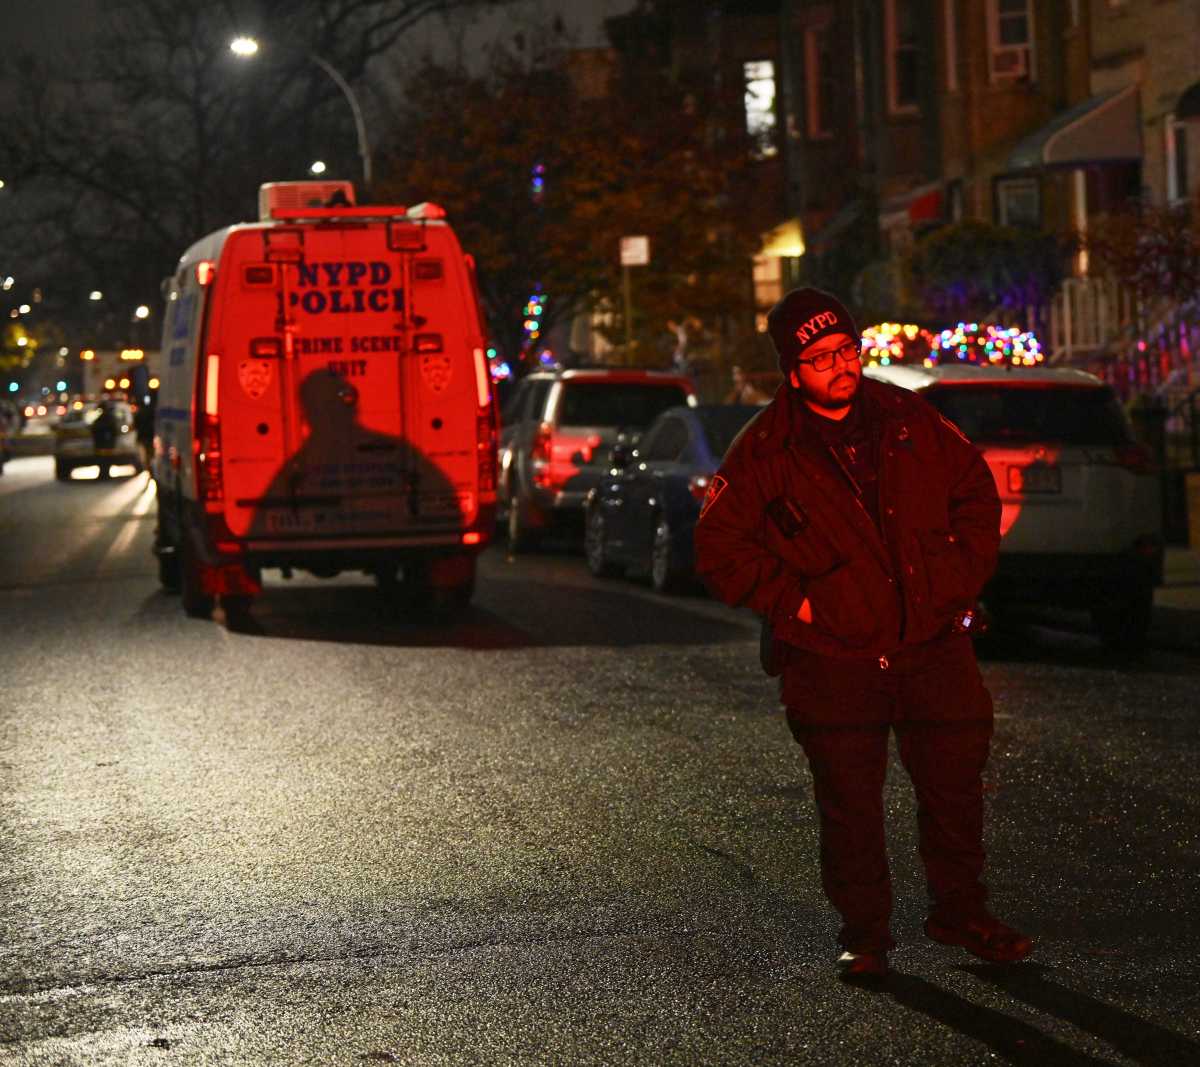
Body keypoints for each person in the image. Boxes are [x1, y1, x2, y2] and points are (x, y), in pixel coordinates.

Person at [693, 287, 1032, 982]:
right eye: (820, 357)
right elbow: (720, 549)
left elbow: (973, 490)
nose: (840, 366)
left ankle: (962, 910)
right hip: (831, 659)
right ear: (792, 370)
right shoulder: (764, 449)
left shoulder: (908, 418)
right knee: (850, 802)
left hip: (932, 642)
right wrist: (803, 606)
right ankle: (866, 934)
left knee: (954, 786)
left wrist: (954, 581)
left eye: (846, 349)